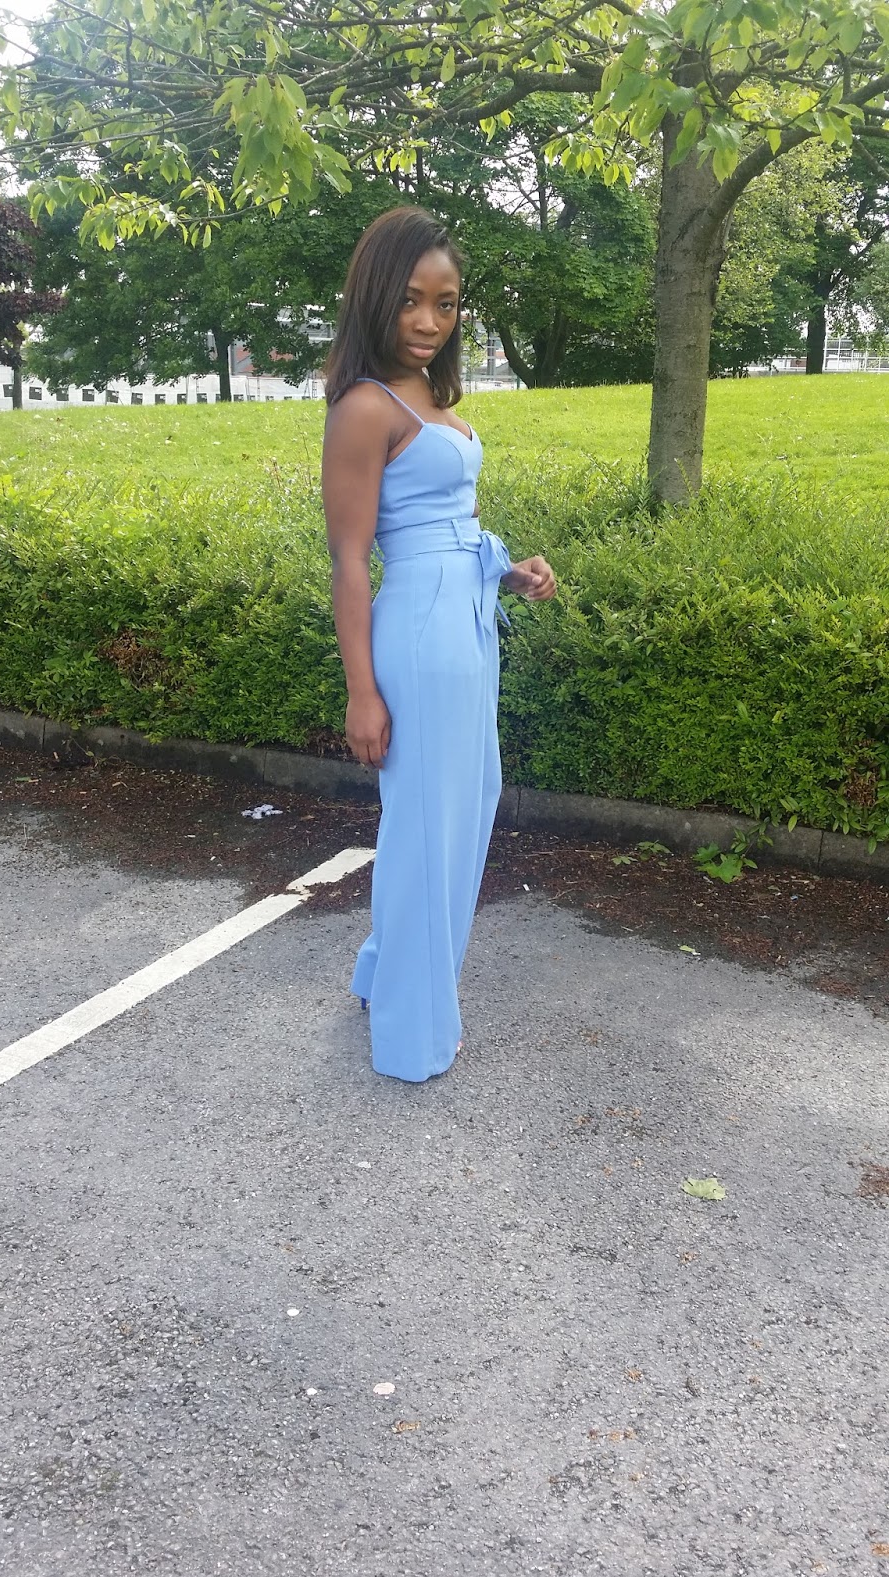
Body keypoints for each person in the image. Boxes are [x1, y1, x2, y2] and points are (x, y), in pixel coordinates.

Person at [321, 206, 556, 1083]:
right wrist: (362, 692)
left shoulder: (433, 398)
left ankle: (385, 976)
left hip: (468, 621)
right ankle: (413, 1034)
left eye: (447, 303)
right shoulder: (364, 408)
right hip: (420, 633)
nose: (429, 320)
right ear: (376, 297)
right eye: (411, 300)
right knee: (430, 826)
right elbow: (351, 561)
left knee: (461, 807)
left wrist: (510, 574)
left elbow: (452, 525)